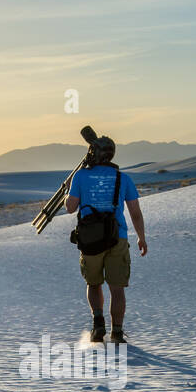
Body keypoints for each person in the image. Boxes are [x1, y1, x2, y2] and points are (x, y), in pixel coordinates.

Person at [65, 135, 147, 343]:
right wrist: (141, 238)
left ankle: (98, 324)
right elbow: (135, 213)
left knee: (93, 284)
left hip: (90, 239)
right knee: (117, 289)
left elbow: (70, 208)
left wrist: (69, 190)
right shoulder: (123, 178)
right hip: (116, 237)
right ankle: (117, 332)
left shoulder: (81, 176)